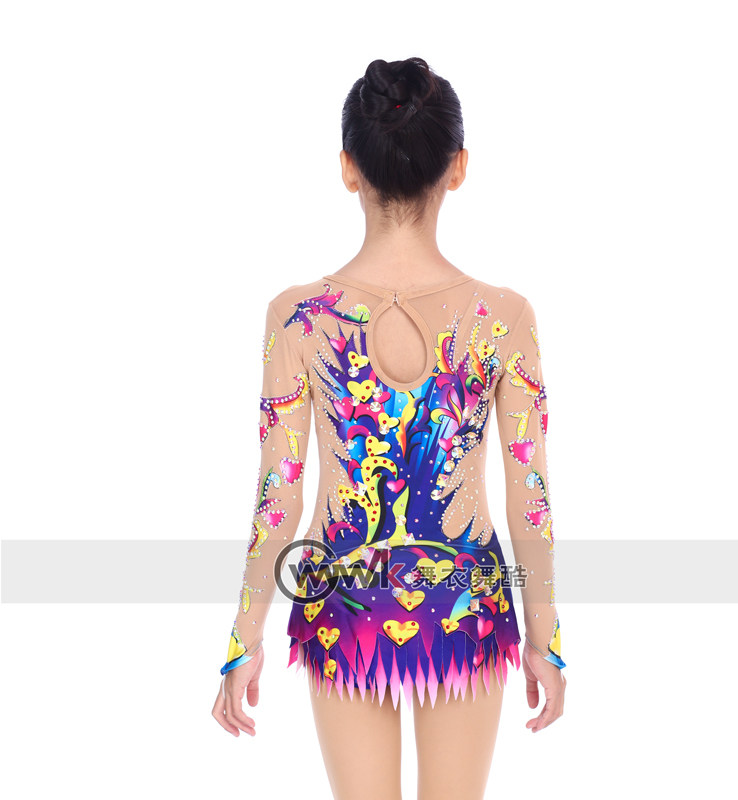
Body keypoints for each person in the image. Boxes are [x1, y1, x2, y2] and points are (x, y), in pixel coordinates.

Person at [212, 56, 567, 799]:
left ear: (349, 167)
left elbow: (279, 495)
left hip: (342, 598)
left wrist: (244, 639)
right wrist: (547, 639)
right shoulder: (505, 318)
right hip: (466, 600)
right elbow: (528, 497)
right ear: (458, 167)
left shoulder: (298, 318)